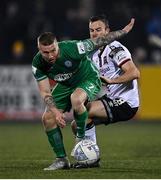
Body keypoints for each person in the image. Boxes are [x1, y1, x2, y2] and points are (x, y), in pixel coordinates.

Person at [32, 18, 135, 171]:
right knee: (47, 118)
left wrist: (124, 31)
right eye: (45, 52)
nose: (50, 55)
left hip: (87, 77)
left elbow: (102, 40)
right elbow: (45, 92)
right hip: (66, 83)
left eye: (53, 50)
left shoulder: (74, 48)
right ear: (39, 50)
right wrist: (55, 112)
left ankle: (80, 139)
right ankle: (61, 160)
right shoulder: (38, 63)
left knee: (77, 99)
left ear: (57, 44)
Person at [70, 15, 140, 168]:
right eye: (92, 30)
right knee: (77, 124)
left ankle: (91, 160)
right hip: (111, 98)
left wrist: (112, 81)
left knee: (85, 111)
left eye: (98, 30)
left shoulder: (114, 48)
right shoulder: (93, 53)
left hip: (126, 102)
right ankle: (91, 159)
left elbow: (134, 73)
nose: (95, 34)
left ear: (107, 31)